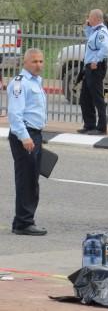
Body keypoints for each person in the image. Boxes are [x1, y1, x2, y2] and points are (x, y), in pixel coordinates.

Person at [7, 48, 48, 235]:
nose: (38, 65)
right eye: (34, 61)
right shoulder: (19, 84)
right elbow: (15, 114)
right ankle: (23, 223)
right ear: (25, 62)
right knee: (26, 180)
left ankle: (24, 220)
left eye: (40, 61)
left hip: (35, 134)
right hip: (25, 135)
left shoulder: (36, 81)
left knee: (32, 179)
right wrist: (25, 137)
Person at [77, 9, 108, 135]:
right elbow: (90, 38)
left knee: (97, 98)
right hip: (89, 67)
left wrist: (96, 60)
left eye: (89, 17)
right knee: (85, 98)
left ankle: (101, 127)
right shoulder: (95, 31)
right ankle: (89, 125)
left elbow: (105, 48)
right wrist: (87, 26)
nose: (88, 19)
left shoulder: (102, 32)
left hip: (96, 67)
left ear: (96, 18)